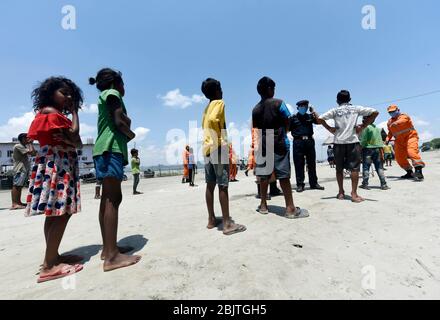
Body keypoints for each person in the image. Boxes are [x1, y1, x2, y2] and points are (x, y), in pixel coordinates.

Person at [25, 77, 84, 283]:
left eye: (71, 94)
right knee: (61, 214)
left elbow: (75, 141)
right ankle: (50, 265)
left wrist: (72, 139)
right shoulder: (51, 113)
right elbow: (76, 136)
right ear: (51, 93)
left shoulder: (50, 114)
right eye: (64, 93)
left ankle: (53, 255)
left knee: (54, 214)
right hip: (58, 165)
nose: (68, 97)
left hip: (57, 162)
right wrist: (75, 112)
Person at [90, 68, 141, 271]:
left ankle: (108, 248)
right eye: (123, 83)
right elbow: (120, 122)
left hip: (102, 149)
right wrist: (131, 134)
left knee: (107, 198)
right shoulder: (113, 94)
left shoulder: (105, 95)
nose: (123, 88)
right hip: (111, 148)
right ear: (115, 83)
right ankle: (111, 257)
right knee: (113, 198)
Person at [252, 77, 308, 218]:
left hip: (264, 143)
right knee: (283, 175)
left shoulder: (255, 109)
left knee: (264, 176)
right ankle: (290, 208)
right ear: (270, 89)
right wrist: (285, 130)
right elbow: (288, 119)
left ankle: (263, 205)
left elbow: (256, 129)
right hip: (279, 141)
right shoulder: (279, 103)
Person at [201, 78, 246, 235]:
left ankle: (211, 219)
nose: (222, 91)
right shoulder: (219, 102)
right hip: (218, 147)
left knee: (210, 184)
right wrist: (225, 141)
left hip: (207, 148)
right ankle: (227, 224)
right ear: (217, 91)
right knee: (223, 184)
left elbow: (206, 124)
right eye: (220, 88)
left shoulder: (206, 109)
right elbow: (217, 121)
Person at [316, 90, 379, 203]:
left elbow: (319, 119)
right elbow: (375, 112)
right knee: (354, 169)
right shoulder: (356, 109)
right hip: (353, 142)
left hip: (338, 142)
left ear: (337, 100)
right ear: (350, 100)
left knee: (339, 169)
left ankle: (341, 192)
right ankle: (354, 194)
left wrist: (329, 128)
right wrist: (363, 126)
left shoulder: (334, 110)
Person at [289, 100, 328, 192]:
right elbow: (287, 128)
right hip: (298, 142)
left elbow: (319, 121)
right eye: (301, 106)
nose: (303, 108)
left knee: (311, 164)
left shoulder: (310, 116)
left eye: (305, 106)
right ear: (298, 108)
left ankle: (314, 183)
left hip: (309, 141)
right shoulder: (293, 118)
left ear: (307, 107)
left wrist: (313, 111)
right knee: (299, 164)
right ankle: (300, 185)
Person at [386, 105, 425, 181]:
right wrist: (387, 139)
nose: (392, 113)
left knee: (411, 152)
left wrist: (396, 123)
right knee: (399, 157)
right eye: (390, 112)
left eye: (393, 111)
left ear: (398, 110)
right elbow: (390, 132)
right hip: (399, 141)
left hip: (411, 137)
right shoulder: (389, 122)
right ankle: (409, 172)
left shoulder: (404, 116)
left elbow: (402, 121)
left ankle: (418, 171)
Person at [359, 117, 390, 190]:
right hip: (377, 149)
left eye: (364, 119)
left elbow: (363, 140)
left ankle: (365, 184)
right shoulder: (377, 128)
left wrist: (360, 148)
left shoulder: (366, 128)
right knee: (379, 167)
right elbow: (380, 140)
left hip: (367, 149)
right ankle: (383, 184)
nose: (363, 120)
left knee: (366, 167)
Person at [10, 133, 36, 210]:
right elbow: (31, 152)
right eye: (27, 138)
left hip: (23, 169)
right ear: (23, 139)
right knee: (16, 186)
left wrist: (30, 144)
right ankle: (15, 204)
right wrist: (30, 143)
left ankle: (18, 202)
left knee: (19, 186)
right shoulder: (18, 146)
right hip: (19, 169)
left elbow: (33, 153)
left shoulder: (24, 146)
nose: (28, 140)